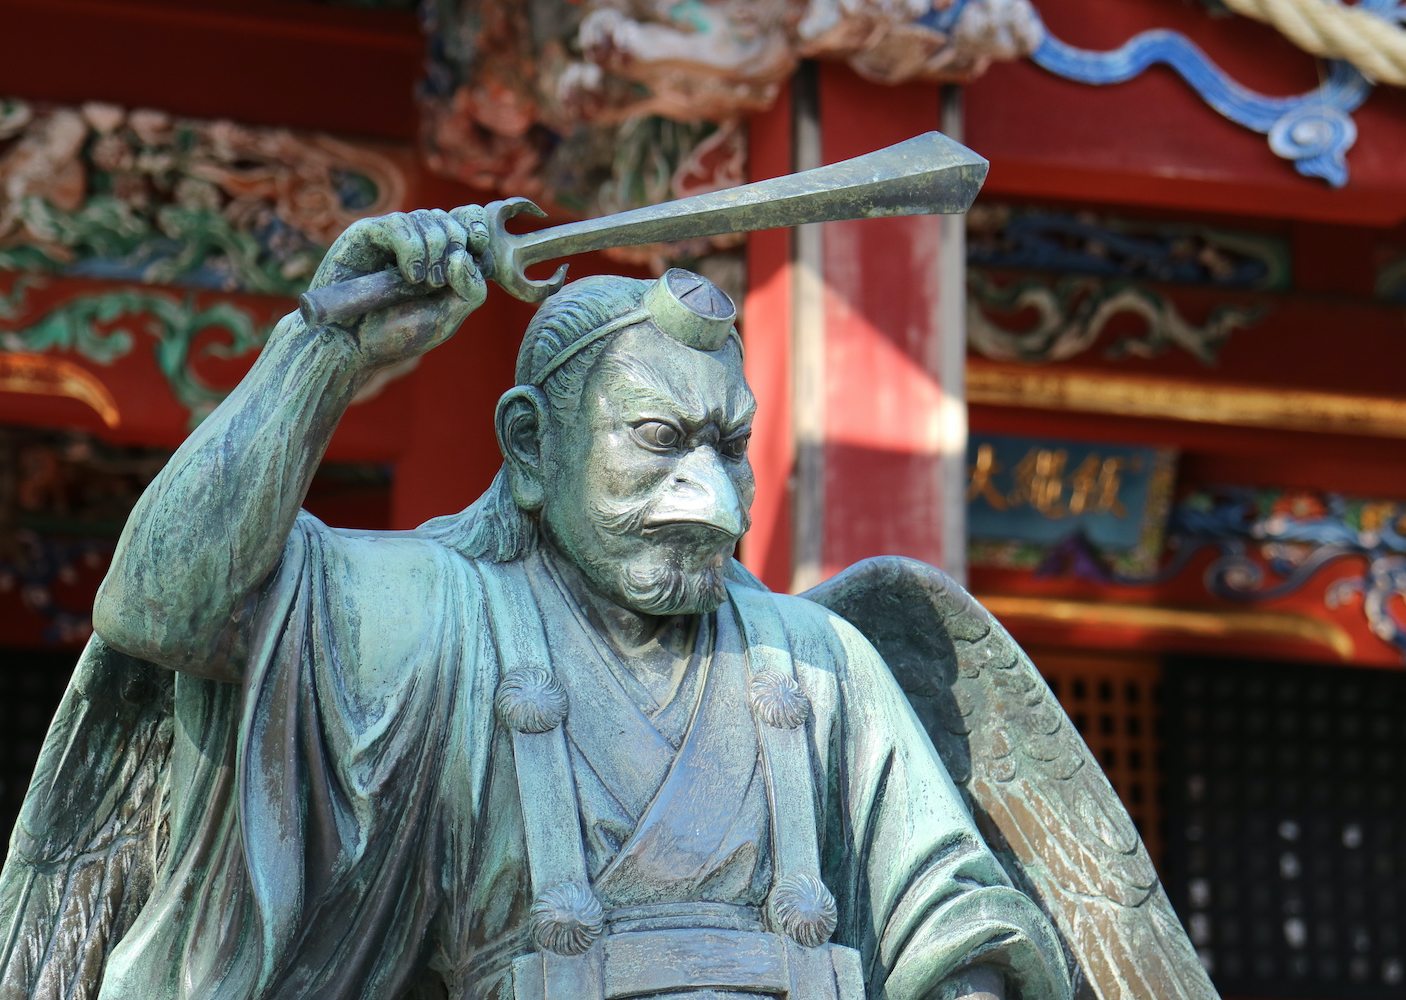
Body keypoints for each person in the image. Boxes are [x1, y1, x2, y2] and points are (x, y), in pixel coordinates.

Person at [68, 207, 1071, 1000]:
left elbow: (956, 911)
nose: (711, 499)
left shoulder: (821, 662)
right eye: (656, 436)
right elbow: (168, 607)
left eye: (729, 445)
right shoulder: (435, 621)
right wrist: (325, 350)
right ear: (531, 444)